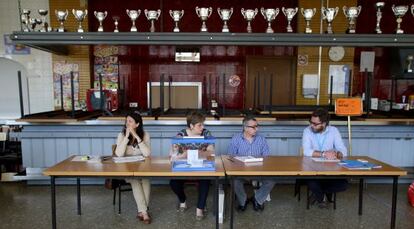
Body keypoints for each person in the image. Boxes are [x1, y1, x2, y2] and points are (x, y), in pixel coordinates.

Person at [169, 111, 214, 220]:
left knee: (205, 180)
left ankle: (200, 208)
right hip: (184, 167)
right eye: (199, 125)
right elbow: (173, 153)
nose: (202, 127)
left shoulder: (206, 133)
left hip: (201, 166)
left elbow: (211, 152)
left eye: (203, 124)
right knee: (173, 182)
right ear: (191, 126)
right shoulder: (181, 134)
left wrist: (194, 153)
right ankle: (183, 200)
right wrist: (182, 155)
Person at [302, 107, 348, 208]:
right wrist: (324, 154)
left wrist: (338, 154)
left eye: (315, 124)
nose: (311, 125)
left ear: (324, 123)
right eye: (311, 122)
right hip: (312, 167)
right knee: (311, 182)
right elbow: (306, 151)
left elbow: (343, 150)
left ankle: (318, 193)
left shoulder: (334, 131)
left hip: (330, 168)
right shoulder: (307, 131)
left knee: (344, 184)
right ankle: (321, 196)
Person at [228, 116, 275, 211]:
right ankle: (243, 201)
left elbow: (267, 157)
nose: (256, 129)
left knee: (272, 180)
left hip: (258, 171)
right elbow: (230, 157)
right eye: (253, 127)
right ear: (245, 128)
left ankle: (257, 199)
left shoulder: (261, 139)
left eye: (257, 126)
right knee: (233, 180)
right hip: (241, 172)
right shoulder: (236, 138)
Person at [115, 111, 152, 224]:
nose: (127, 124)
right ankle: (144, 212)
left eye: (130, 121)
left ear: (137, 124)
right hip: (125, 170)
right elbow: (119, 154)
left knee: (146, 180)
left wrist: (136, 136)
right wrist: (127, 137)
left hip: (142, 168)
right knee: (135, 181)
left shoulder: (145, 135)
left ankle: (141, 211)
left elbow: (146, 154)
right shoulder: (121, 135)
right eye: (126, 121)